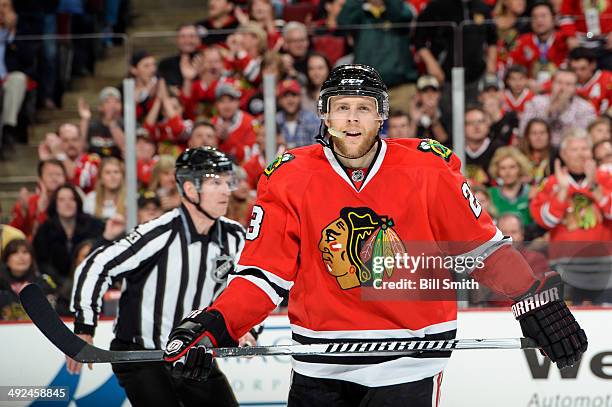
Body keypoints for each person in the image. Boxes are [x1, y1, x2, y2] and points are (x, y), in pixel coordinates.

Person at [163, 65, 587, 404]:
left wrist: (533, 298)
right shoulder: (287, 176)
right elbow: (262, 274)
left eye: (363, 108)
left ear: (381, 115)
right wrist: (217, 323)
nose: (351, 118)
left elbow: (480, 250)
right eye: (341, 107)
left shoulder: (428, 169)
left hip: (408, 362)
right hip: (320, 365)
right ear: (324, 115)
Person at [68, 147, 249, 407]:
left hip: (192, 353)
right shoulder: (159, 232)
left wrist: (247, 328)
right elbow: (96, 265)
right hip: (142, 355)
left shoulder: (234, 236)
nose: (226, 191)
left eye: (227, 182)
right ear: (189, 189)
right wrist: (84, 329)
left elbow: (249, 284)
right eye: (215, 182)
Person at [530, 128, 612, 304]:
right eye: (575, 149)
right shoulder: (551, 183)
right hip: (563, 266)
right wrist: (562, 193)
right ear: (563, 154)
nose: (580, 154)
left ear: (591, 153)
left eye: (584, 149)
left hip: (605, 266)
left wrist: (595, 186)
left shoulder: (606, 178)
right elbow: (545, 222)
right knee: (566, 321)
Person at [33, 183, 105, 280]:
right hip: (54, 284)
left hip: (89, 278)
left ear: (77, 202)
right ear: (55, 203)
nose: (67, 203)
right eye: (62, 200)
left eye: (72, 199)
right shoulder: (44, 230)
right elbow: (42, 263)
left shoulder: (94, 225)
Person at [520, 68, 597, 146]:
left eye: (568, 84)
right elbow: (523, 131)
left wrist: (563, 111)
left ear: (575, 88)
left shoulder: (586, 108)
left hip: (569, 152)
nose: (562, 88)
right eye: (559, 82)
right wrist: (549, 113)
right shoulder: (536, 102)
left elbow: (582, 137)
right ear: (552, 84)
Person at [0, 239, 57, 321]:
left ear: (32, 257)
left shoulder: (44, 282)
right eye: (15, 253)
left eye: (25, 252)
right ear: (6, 259)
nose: (21, 257)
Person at [276, 79, 320, 149]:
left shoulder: (312, 120)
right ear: (279, 100)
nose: (290, 100)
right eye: (285, 96)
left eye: (294, 95)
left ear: (300, 98)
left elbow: (317, 150)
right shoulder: (274, 121)